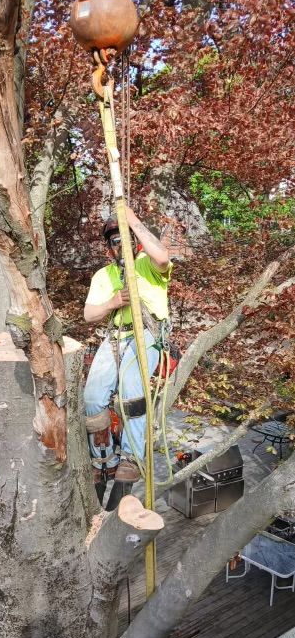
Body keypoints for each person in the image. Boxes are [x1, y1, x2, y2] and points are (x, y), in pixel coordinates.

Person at [83, 205, 192, 508]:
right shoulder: (104, 275)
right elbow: (89, 313)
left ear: (135, 241)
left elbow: (163, 257)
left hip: (147, 334)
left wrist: (132, 220)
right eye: (115, 240)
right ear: (109, 246)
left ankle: (131, 457)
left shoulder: (147, 265)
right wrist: (113, 302)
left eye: (125, 238)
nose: (120, 244)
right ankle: (103, 459)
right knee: (91, 398)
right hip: (117, 336)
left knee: (132, 394)